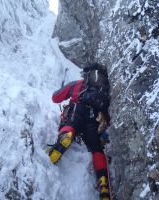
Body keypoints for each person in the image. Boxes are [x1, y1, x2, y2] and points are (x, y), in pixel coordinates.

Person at [47, 63, 111, 200]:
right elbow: (108, 119)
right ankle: (103, 182)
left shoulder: (79, 84)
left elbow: (55, 97)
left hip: (78, 109)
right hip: (94, 119)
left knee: (71, 123)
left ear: (86, 75)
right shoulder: (104, 93)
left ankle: (66, 137)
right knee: (96, 148)